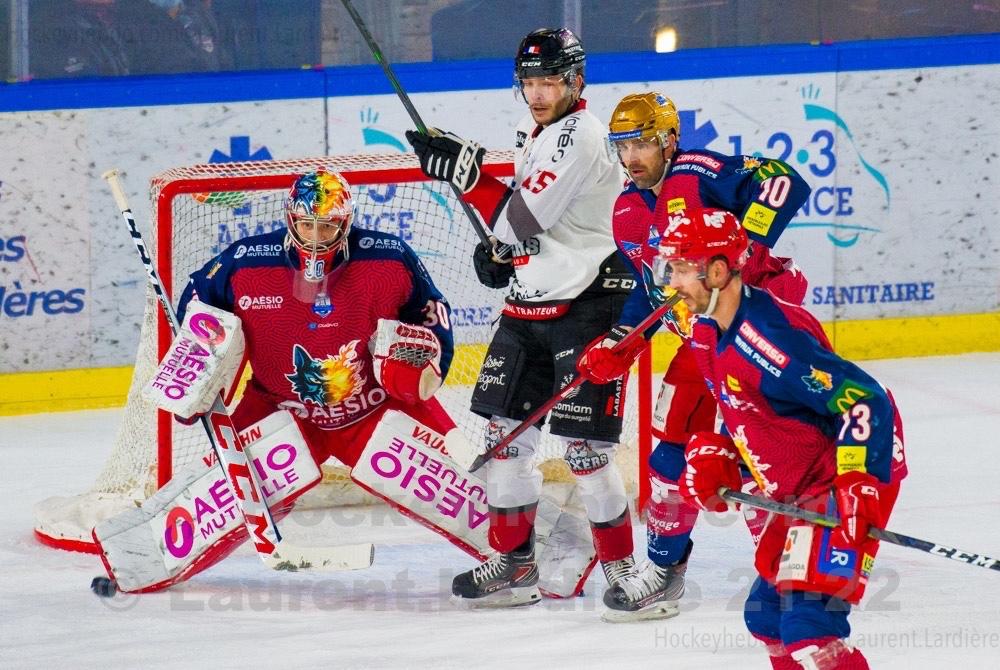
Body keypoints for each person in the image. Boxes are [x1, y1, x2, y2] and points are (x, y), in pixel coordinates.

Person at [92, 170, 491, 592]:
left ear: (346, 222)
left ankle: (534, 552)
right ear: (290, 219)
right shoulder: (246, 262)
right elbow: (196, 306)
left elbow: (433, 316)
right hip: (280, 405)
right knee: (225, 493)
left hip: (375, 405)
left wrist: (430, 363)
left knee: (460, 484)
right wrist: (195, 368)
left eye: (328, 225)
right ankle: (140, 558)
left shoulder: (389, 258)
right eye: (306, 224)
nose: (316, 236)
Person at [406, 28, 637, 607]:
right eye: (529, 82)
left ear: (576, 81)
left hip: (585, 303)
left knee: (585, 451)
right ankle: (515, 564)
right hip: (527, 304)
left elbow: (524, 217)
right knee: (504, 439)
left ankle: (625, 570)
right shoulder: (535, 129)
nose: (537, 93)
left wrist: (468, 175)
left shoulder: (581, 135)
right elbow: (522, 228)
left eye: (549, 81)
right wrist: (500, 254)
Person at [576, 92, 813, 622]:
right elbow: (653, 290)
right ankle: (663, 572)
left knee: (760, 461)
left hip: (758, 332)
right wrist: (623, 338)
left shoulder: (697, 171)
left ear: (668, 141)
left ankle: (788, 574)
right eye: (623, 146)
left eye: (642, 143)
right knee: (668, 458)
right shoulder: (627, 211)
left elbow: (785, 181)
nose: (632, 156)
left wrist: (745, 244)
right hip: (699, 346)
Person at [656, 206, 907, 668]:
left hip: (847, 475)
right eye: (668, 266)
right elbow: (760, 412)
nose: (672, 281)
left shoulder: (769, 339)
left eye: (682, 268)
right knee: (766, 617)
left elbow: (863, 400)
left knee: (809, 628)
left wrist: (856, 484)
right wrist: (719, 453)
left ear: (716, 270)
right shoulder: (707, 333)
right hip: (802, 482)